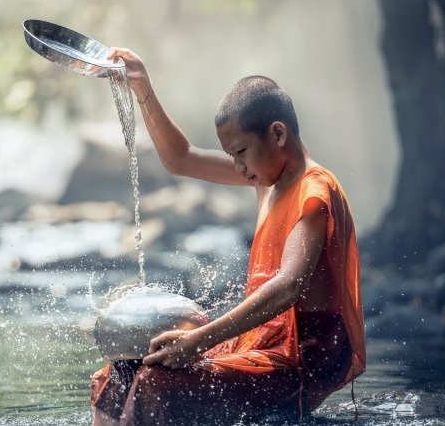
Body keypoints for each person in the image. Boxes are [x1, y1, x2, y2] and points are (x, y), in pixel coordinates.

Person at [90, 48, 366, 426]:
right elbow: (182, 158)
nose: (238, 168)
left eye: (240, 152)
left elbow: (289, 286)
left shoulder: (314, 192)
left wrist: (199, 340)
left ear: (278, 134)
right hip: (255, 346)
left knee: (155, 381)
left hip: (295, 367)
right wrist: (143, 89)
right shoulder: (267, 176)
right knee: (119, 372)